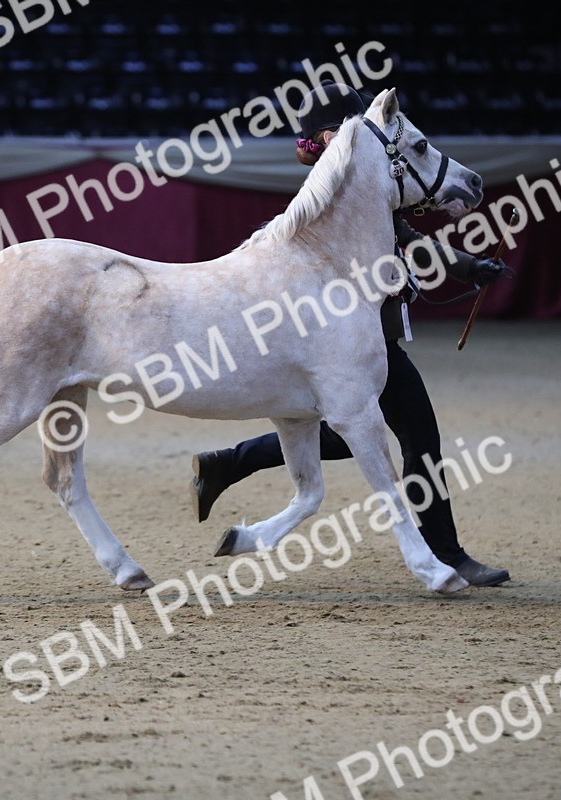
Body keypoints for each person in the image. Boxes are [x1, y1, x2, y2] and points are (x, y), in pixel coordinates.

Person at [191, 81, 511, 586]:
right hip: (354, 339)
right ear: (334, 134)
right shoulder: (342, 186)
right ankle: (447, 555)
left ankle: (229, 463)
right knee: (415, 436)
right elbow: (407, 236)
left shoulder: (358, 179)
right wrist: (467, 267)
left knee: (356, 433)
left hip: (363, 334)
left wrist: (468, 267)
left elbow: (407, 234)